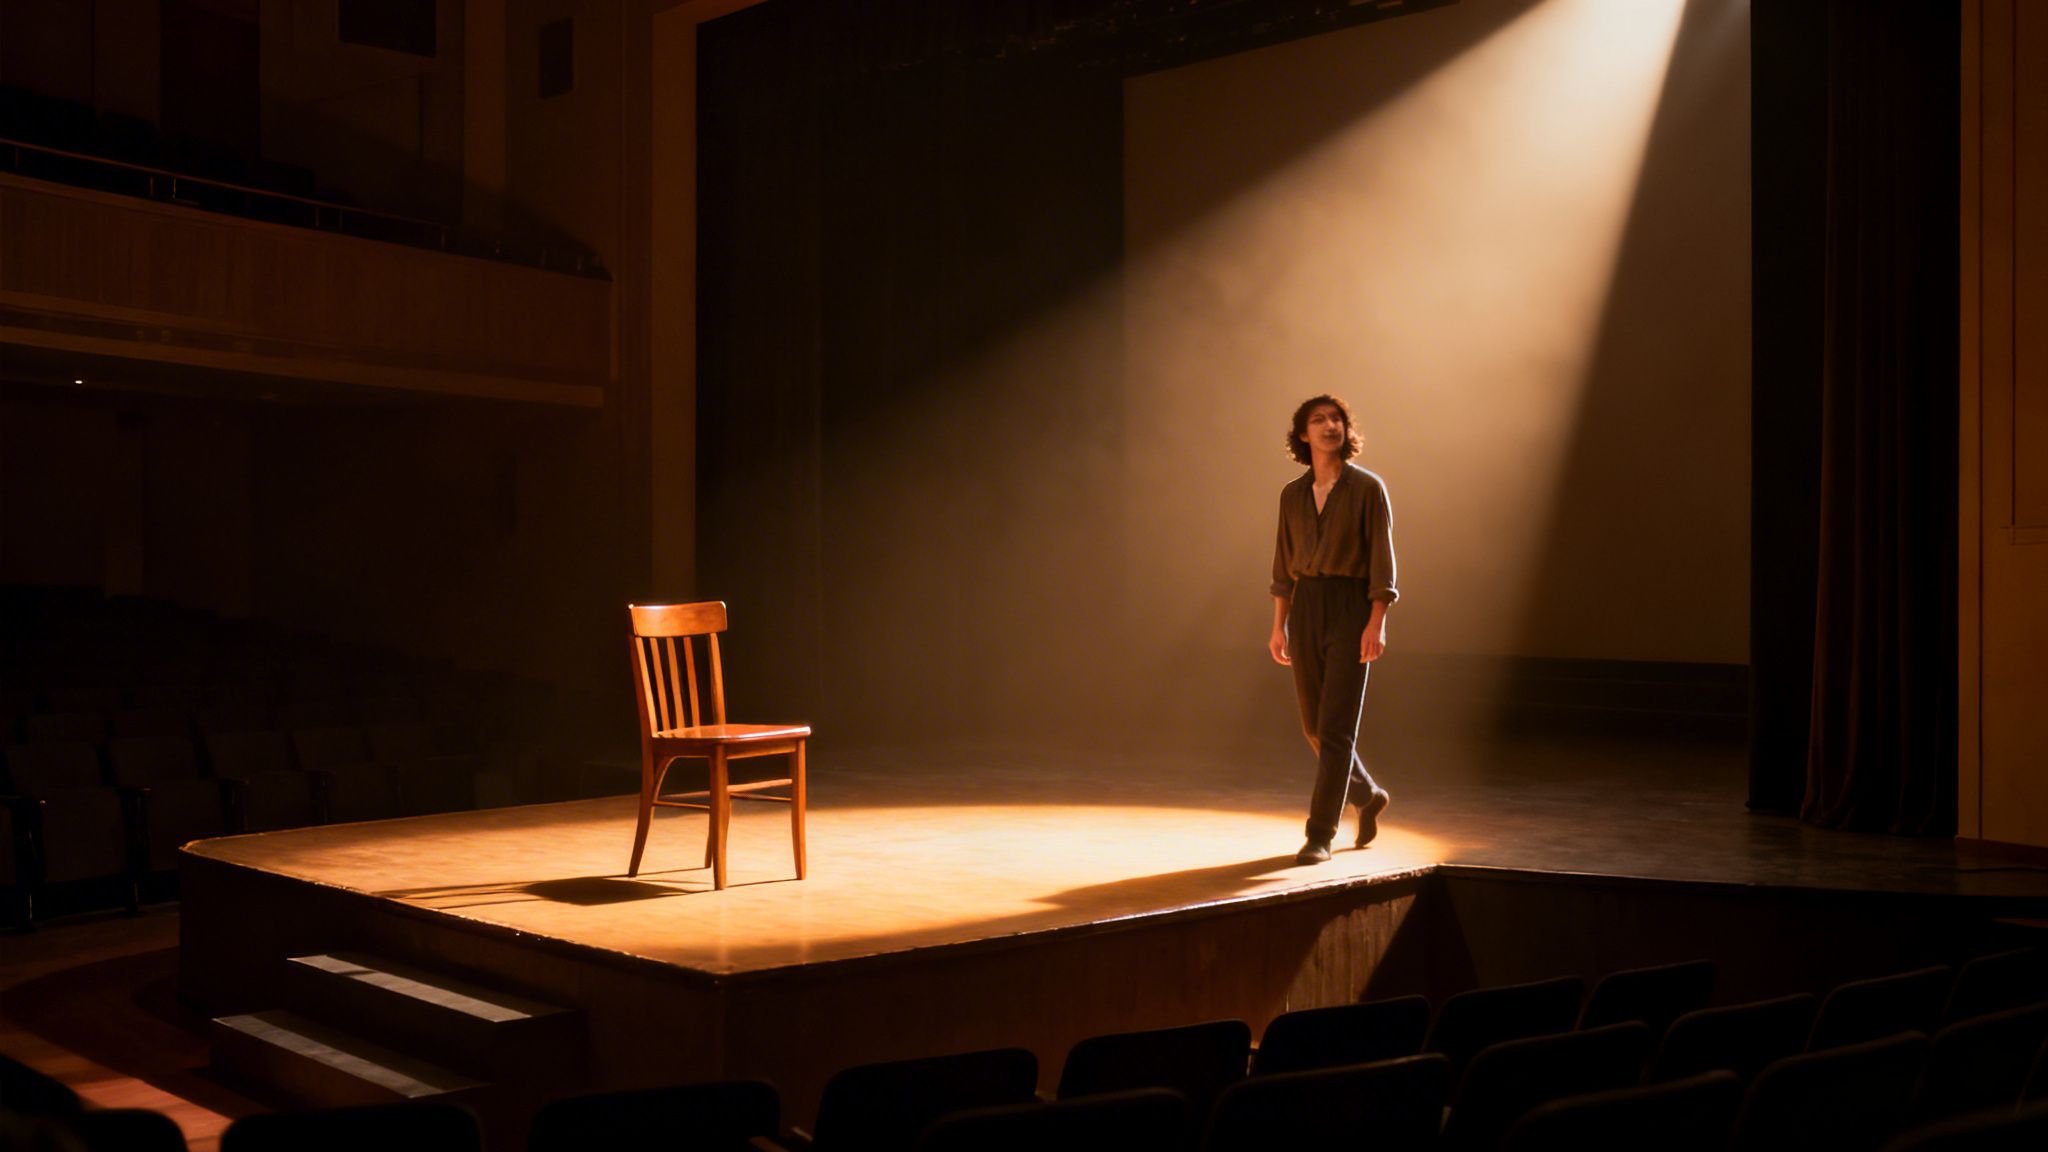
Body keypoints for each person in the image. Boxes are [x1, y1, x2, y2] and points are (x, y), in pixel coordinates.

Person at [1268, 394, 1398, 865]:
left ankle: (1319, 833)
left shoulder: (1367, 488)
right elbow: (1282, 562)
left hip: (1350, 604)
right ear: (1303, 435)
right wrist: (1279, 625)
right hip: (1306, 607)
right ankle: (1366, 795)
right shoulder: (1292, 494)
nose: (1329, 425)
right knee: (1313, 727)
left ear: (1346, 429)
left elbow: (1382, 560)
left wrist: (1376, 621)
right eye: (1318, 420)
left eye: (1336, 418)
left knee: (1337, 728)